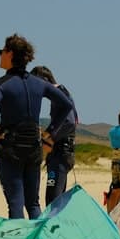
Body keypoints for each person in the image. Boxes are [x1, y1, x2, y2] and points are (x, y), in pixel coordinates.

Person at [0, 33, 74, 220]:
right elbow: (66, 105)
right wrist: (50, 132)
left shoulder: (1, 84)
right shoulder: (39, 84)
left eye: (2, 51)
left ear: (10, 54)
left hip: (10, 150)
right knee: (33, 203)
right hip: (34, 148)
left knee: (15, 203)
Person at [30, 66, 79, 206]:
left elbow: (69, 123)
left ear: (44, 80)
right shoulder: (61, 93)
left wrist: (49, 137)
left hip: (61, 154)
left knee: (52, 200)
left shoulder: (59, 93)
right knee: (57, 199)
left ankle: (54, 227)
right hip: (61, 154)